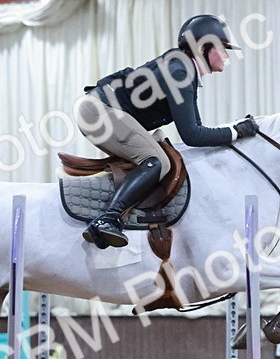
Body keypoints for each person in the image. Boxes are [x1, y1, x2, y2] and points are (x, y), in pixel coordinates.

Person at [73, 14, 258, 250]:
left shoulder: (183, 68)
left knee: (163, 151)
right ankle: (108, 218)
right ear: (202, 47)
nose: (227, 55)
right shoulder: (179, 72)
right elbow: (192, 135)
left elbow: (197, 129)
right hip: (98, 111)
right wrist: (236, 132)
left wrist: (234, 130)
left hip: (105, 109)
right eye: (223, 48)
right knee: (157, 161)